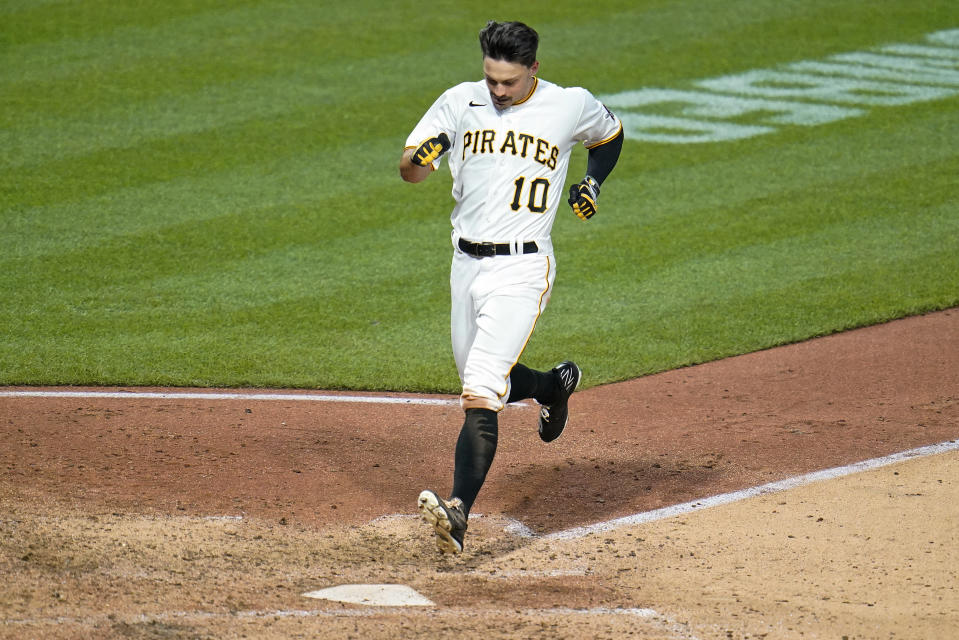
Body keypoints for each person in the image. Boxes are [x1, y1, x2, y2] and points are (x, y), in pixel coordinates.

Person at [399, 20, 624, 554]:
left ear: (533, 70)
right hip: (465, 264)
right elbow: (409, 172)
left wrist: (592, 182)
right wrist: (421, 158)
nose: (498, 92)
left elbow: (610, 135)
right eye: (491, 80)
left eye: (509, 82)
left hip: (523, 269)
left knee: (479, 387)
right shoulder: (458, 102)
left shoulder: (568, 104)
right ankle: (551, 387)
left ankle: (458, 512)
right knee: (483, 371)